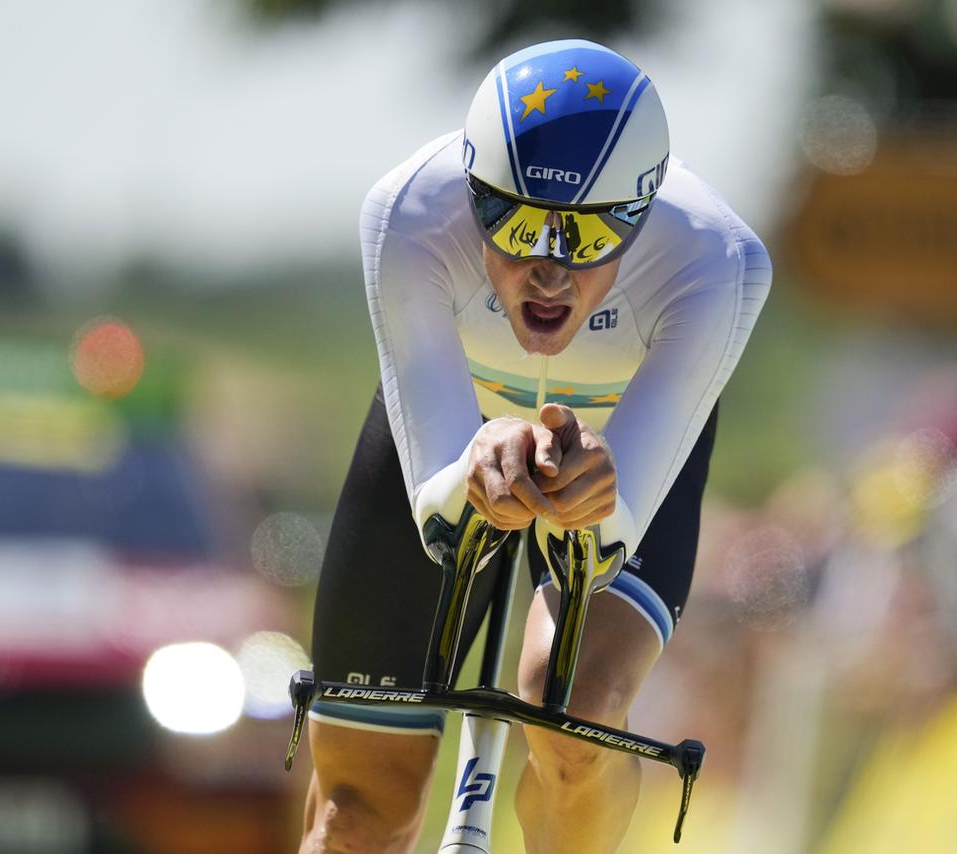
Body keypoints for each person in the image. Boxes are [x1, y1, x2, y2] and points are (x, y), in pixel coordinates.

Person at [302, 38, 771, 853]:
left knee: (575, 716)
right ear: (473, 193)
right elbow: (439, 504)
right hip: (452, 436)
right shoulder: (408, 210)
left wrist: (590, 495)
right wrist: (474, 470)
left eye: (590, 239)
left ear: (646, 211)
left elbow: (612, 527)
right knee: (354, 815)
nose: (547, 272)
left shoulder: (717, 260)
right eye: (515, 222)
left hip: (620, 441)